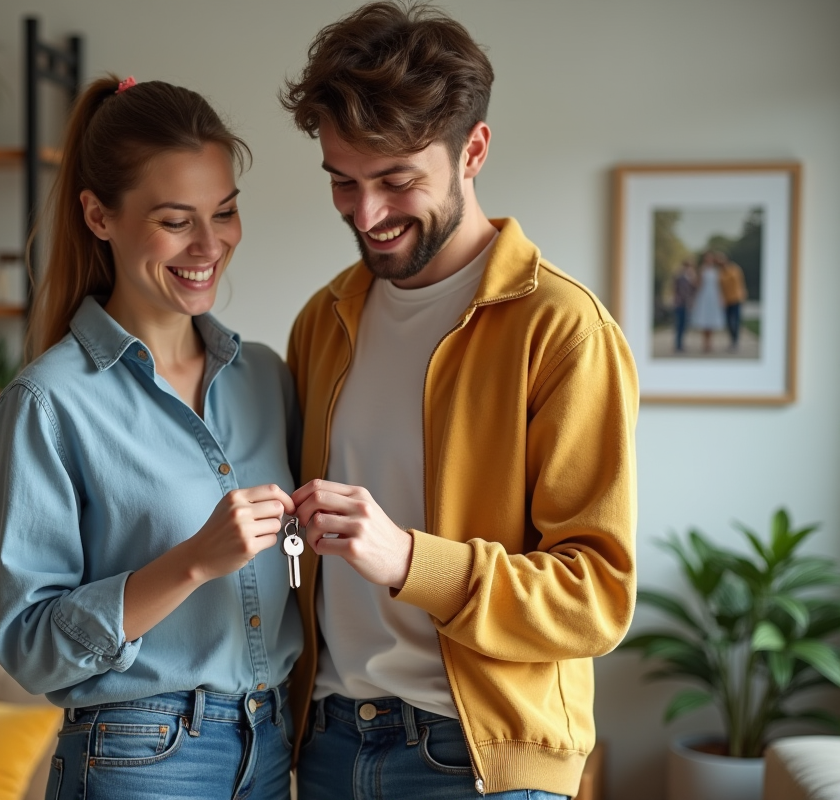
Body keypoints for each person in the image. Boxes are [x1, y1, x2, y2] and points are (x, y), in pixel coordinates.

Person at [278, 4, 639, 799]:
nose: (366, 215)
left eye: (397, 181)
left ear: (472, 150)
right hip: (331, 743)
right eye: (344, 181)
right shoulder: (324, 321)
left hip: (480, 766)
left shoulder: (562, 330)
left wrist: (409, 560)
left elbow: (597, 597)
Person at [0, 76, 302, 800]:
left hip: (272, 742)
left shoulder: (265, 378)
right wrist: (192, 562)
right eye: (175, 220)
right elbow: (31, 647)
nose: (209, 244)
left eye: (224, 212)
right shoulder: (47, 403)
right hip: (139, 757)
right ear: (99, 215)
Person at [690, 251, 726, 353]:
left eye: (710, 258)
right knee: (704, 320)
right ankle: (705, 342)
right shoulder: (702, 270)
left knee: (711, 320)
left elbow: (719, 286)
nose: (709, 260)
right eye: (707, 258)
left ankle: (710, 342)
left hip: (713, 297)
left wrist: (720, 298)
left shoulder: (716, 271)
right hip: (704, 297)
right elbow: (698, 284)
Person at [717, 251, 748, 351]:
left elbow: (740, 283)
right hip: (726, 301)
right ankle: (732, 340)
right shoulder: (720, 272)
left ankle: (735, 342)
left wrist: (743, 296)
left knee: (736, 321)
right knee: (729, 322)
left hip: (736, 298)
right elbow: (719, 287)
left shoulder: (734, 269)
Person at [672, 257, 698, 353]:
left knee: (684, 325)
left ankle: (681, 344)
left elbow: (693, 289)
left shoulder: (691, 276)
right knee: (679, 324)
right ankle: (678, 345)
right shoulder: (680, 276)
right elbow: (678, 290)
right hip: (680, 303)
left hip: (687, 304)